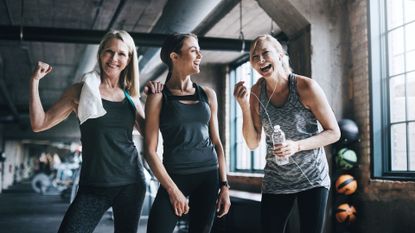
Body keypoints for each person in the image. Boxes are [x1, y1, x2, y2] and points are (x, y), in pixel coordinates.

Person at [29, 30, 161, 233]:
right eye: (109, 52)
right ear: (100, 54)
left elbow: (149, 134)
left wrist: (154, 100)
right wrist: (35, 81)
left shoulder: (130, 97)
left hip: (131, 182)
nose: (114, 59)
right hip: (94, 185)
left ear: (128, 59)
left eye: (121, 54)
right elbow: (39, 123)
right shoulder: (81, 91)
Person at [233, 34, 341, 233]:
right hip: (276, 180)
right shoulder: (257, 92)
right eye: (254, 57)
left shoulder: (305, 87)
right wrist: (244, 107)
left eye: (265, 53)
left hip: (312, 178)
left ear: (280, 55)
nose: (260, 60)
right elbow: (252, 142)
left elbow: (334, 133)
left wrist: (297, 145)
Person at [144, 33, 231, 233]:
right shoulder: (158, 97)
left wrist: (224, 185)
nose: (200, 55)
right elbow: (149, 151)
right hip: (174, 177)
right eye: (193, 50)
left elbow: (217, 142)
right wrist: (172, 190)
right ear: (174, 57)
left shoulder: (208, 94)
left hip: (208, 176)